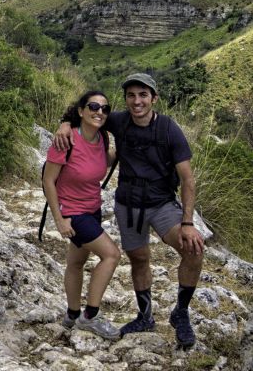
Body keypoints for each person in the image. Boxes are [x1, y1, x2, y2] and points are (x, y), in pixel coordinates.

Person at [52, 73, 204, 348]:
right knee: (139, 258)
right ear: (126, 100)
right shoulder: (117, 119)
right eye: (131, 95)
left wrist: (188, 221)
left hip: (161, 205)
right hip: (128, 206)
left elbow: (188, 179)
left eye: (143, 95)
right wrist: (65, 124)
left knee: (193, 250)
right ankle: (145, 316)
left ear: (154, 98)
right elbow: (85, 112)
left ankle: (180, 312)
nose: (137, 101)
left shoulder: (170, 130)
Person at [43, 90, 123, 340]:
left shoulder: (101, 139)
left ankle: (72, 314)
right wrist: (59, 219)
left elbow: (104, 161)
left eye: (104, 109)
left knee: (76, 263)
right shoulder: (65, 141)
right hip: (74, 213)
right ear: (80, 111)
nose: (99, 112)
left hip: (93, 209)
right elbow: (48, 181)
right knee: (111, 255)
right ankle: (90, 317)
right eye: (93, 106)